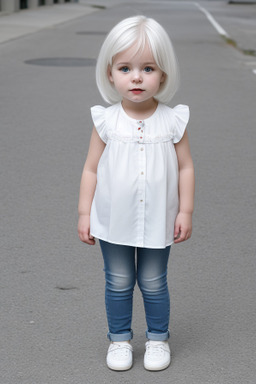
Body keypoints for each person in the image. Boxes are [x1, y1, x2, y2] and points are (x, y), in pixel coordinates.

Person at [78, 15, 195, 372]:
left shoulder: (173, 120)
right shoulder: (107, 121)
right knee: (118, 280)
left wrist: (185, 211)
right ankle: (120, 340)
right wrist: (85, 212)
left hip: (159, 217)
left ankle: (158, 338)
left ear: (163, 74)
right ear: (111, 73)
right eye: (126, 68)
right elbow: (91, 168)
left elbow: (186, 166)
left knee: (153, 281)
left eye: (148, 68)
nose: (137, 77)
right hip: (113, 218)